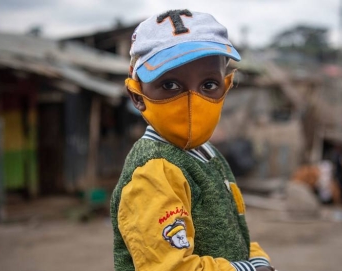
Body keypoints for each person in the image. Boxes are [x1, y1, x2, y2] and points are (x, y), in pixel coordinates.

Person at [110, 10, 274, 271]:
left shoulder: (208, 155)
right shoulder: (153, 171)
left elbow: (237, 232)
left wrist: (257, 259)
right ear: (137, 96)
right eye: (170, 86)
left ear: (226, 86)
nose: (192, 102)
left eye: (209, 85)